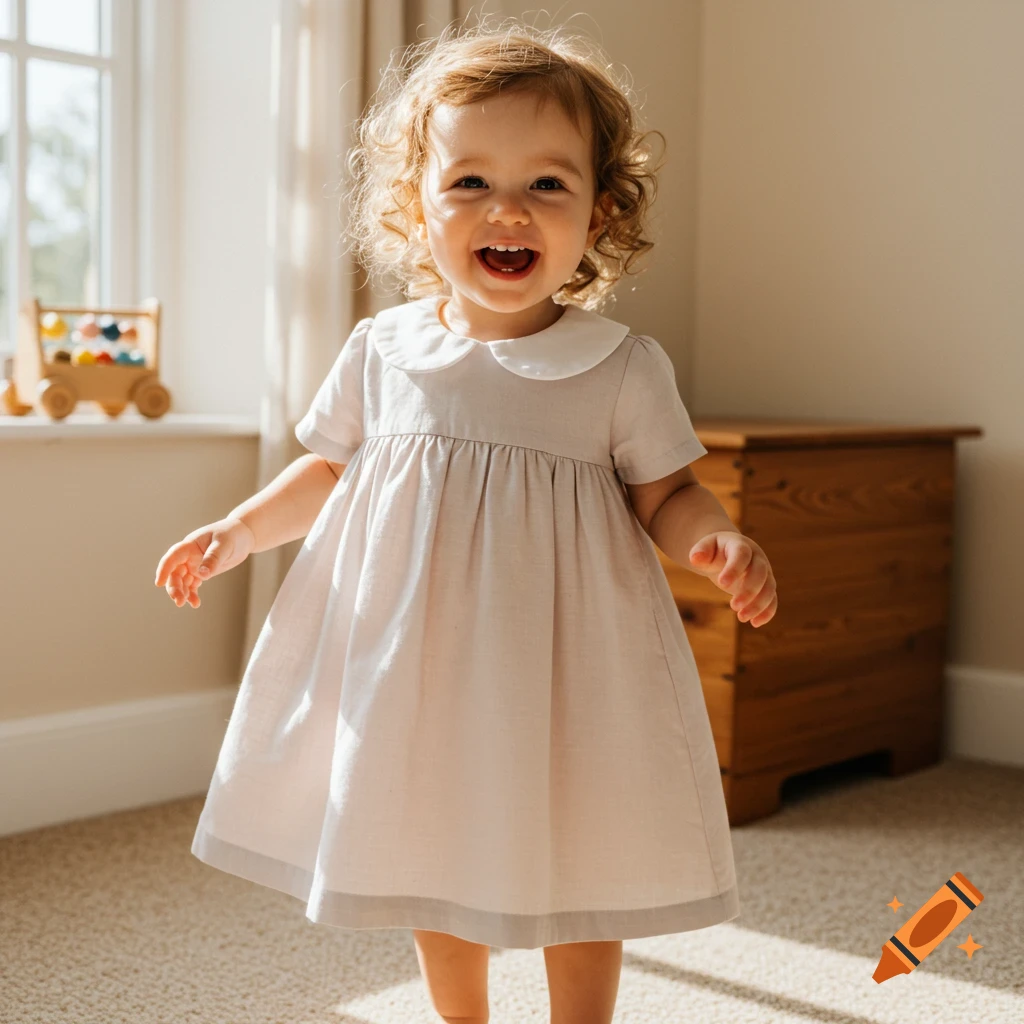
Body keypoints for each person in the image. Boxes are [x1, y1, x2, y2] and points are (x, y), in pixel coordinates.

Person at [154, 17, 778, 1024]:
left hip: (568, 670)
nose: (510, 211)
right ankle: (462, 1016)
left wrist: (718, 539)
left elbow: (665, 494)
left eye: (547, 184)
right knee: (424, 840)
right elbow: (326, 468)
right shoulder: (383, 346)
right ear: (416, 204)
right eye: (470, 182)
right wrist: (238, 530)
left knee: (584, 850)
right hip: (418, 663)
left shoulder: (620, 366)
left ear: (599, 212)